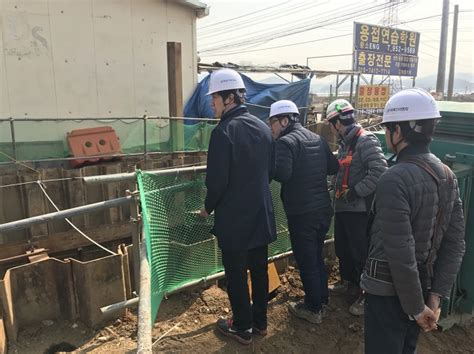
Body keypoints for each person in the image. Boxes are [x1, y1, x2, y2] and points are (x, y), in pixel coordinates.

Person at [361, 88, 465, 354]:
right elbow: (455, 243)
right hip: (422, 288)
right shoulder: (447, 176)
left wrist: (417, 308)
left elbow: (400, 252)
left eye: (388, 129)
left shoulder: (393, 179)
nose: (386, 135)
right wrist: (434, 297)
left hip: (388, 295)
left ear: (399, 131)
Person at [199, 68, 277, 345]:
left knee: (235, 274)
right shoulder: (262, 127)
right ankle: (260, 322)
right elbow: (269, 172)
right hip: (260, 213)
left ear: (229, 98)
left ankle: (242, 327)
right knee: (258, 270)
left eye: (215, 98)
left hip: (235, 218)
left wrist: (208, 208)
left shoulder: (224, 132)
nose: (212, 103)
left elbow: (216, 182)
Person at [269, 100, 339, 324]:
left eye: (272, 123)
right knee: (316, 256)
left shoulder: (285, 143)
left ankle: (313, 308)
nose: (271, 128)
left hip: (302, 213)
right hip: (323, 210)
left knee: (307, 260)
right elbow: (333, 167)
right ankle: (322, 300)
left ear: (284, 120)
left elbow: (283, 175)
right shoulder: (317, 139)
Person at [326, 99, 387, 316]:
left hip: (358, 209)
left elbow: (379, 171)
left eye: (331, 125)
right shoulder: (346, 143)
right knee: (343, 247)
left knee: (360, 252)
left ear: (337, 123)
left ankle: (365, 294)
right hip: (343, 207)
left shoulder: (365, 141)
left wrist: (356, 191)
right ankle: (349, 283)